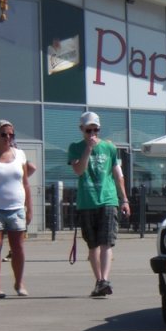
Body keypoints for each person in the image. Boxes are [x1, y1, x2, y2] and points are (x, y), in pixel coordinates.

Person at [68, 111, 130, 297]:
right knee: (93, 244)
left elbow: (118, 175)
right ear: (82, 130)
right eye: (89, 130)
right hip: (87, 201)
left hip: (108, 199)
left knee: (107, 242)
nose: (92, 134)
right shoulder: (75, 147)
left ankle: (104, 279)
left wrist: (124, 199)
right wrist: (87, 149)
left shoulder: (109, 148)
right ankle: (99, 280)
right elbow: (79, 171)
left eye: (96, 130)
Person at [0, 120, 33, 298]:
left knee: (18, 247)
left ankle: (19, 283)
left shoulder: (20, 154)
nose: (8, 138)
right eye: (4, 134)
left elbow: (26, 183)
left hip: (16, 208)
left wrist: (29, 208)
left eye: (11, 134)